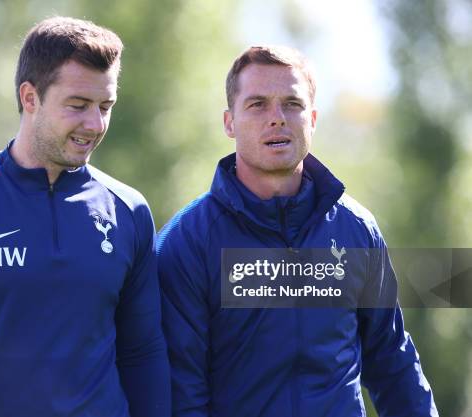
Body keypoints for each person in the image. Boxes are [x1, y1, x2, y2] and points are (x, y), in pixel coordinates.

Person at [0, 16, 170, 417]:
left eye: (105, 106)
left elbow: (142, 350)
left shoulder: (129, 210)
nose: (95, 124)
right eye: (78, 106)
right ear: (30, 98)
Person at [157, 46, 438, 416]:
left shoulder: (356, 230)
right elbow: (181, 390)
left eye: (292, 103)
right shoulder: (187, 240)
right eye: (257, 104)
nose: (277, 118)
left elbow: (393, 361)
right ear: (229, 122)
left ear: (313, 119)